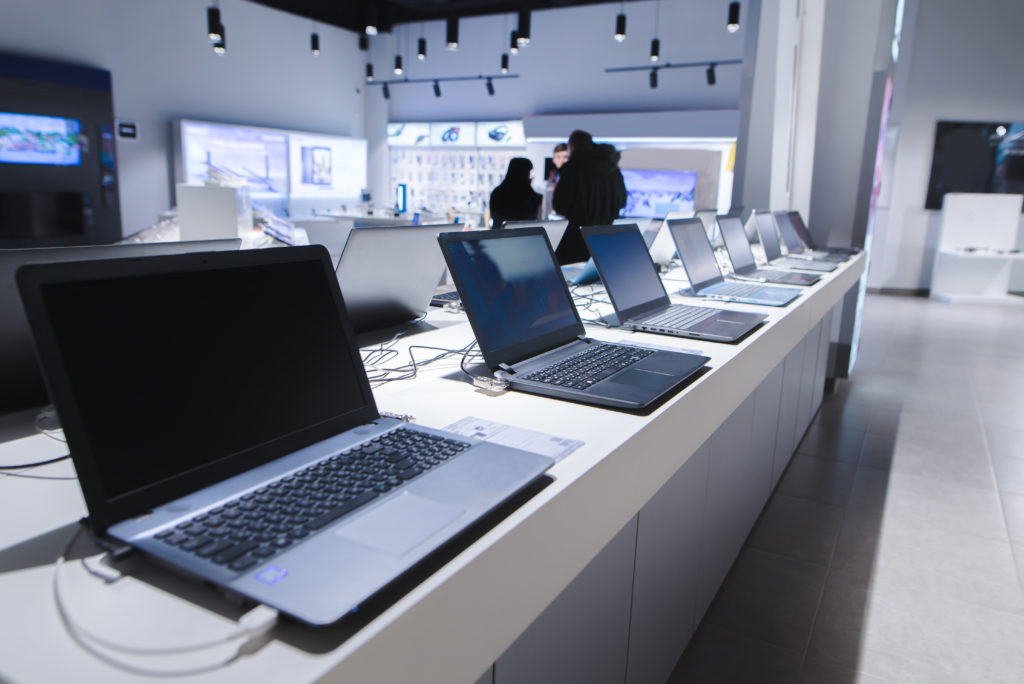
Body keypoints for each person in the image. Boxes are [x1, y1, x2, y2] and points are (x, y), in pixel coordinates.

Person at [552, 130, 627, 264]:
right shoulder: (612, 168)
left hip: (577, 242)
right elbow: (622, 201)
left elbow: (560, 205)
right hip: (606, 239)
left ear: (572, 146)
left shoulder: (573, 168)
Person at [489, 157, 542, 228]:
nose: (530, 177)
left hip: (499, 237)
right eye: (529, 173)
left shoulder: (497, 194)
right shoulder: (532, 198)